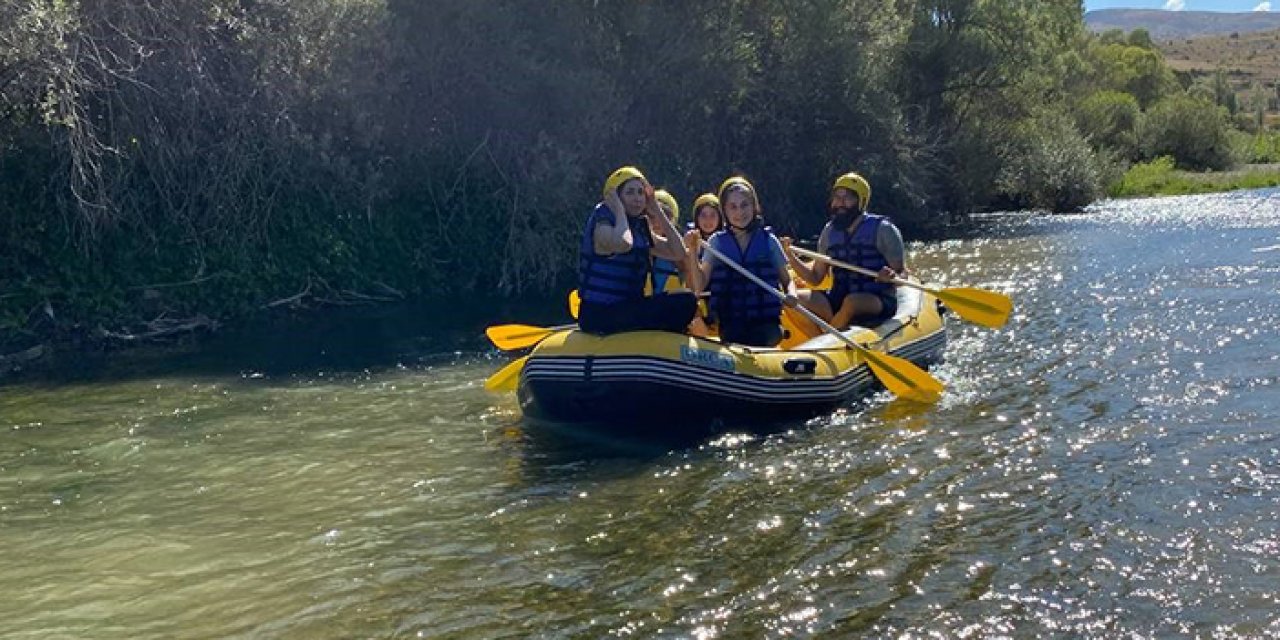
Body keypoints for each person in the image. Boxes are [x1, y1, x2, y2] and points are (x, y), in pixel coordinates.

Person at [578, 166, 697, 335]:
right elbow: (624, 243)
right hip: (599, 314)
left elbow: (678, 252)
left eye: (641, 193)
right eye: (630, 192)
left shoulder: (639, 227)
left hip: (627, 308)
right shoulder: (602, 225)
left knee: (687, 300)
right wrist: (619, 211)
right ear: (615, 197)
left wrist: (656, 209)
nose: (637, 198)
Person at [782, 172, 908, 329]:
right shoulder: (829, 232)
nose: (839, 203)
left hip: (877, 299)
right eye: (837, 197)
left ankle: (831, 335)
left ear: (861, 202)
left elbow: (903, 274)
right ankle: (824, 339)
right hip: (838, 298)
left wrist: (892, 276)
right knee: (791, 299)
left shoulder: (883, 230)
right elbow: (815, 278)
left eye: (847, 198)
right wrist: (790, 256)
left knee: (852, 302)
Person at [692, 176, 797, 347]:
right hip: (732, 322)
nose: (739, 213)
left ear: (754, 207)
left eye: (744, 205)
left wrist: (792, 294)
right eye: (732, 207)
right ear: (724, 211)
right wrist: (691, 253)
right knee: (736, 335)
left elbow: (787, 280)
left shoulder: (768, 239)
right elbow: (699, 285)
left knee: (762, 337)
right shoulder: (716, 242)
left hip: (766, 323)